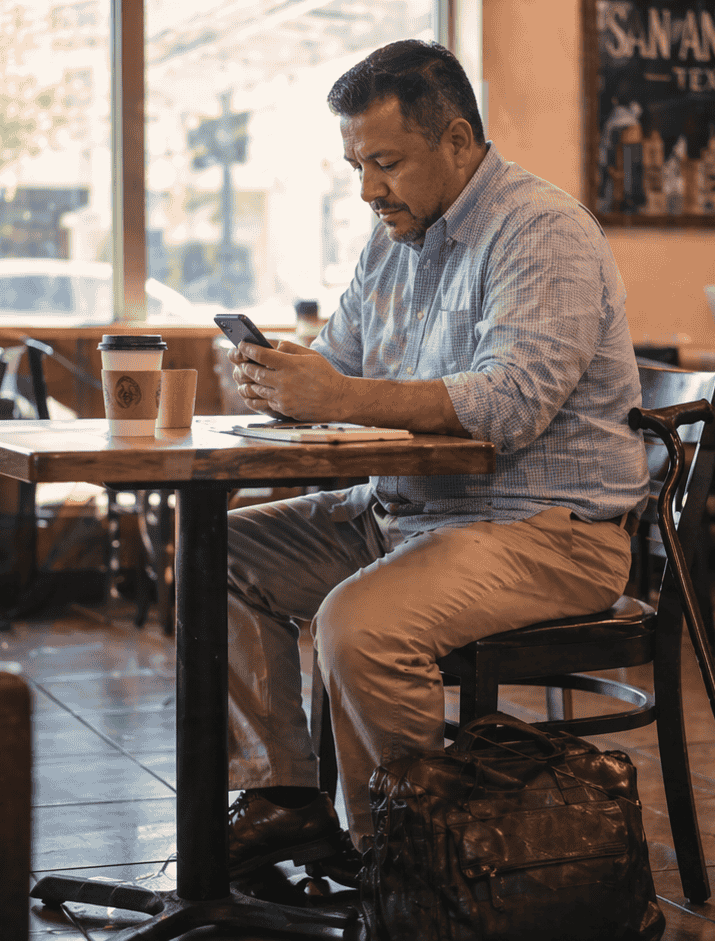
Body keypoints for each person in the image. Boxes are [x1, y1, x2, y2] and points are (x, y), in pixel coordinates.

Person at [217, 39, 650, 876]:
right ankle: (287, 801)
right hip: (408, 514)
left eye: (386, 162)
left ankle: (411, 868)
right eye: (357, 166)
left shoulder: (543, 230)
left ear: (456, 140)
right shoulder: (390, 239)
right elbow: (340, 362)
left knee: (361, 624)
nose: (370, 188)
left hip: (546, 533)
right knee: (222, 552)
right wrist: (286, 377)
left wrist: (336, 398)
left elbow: (508, 404)